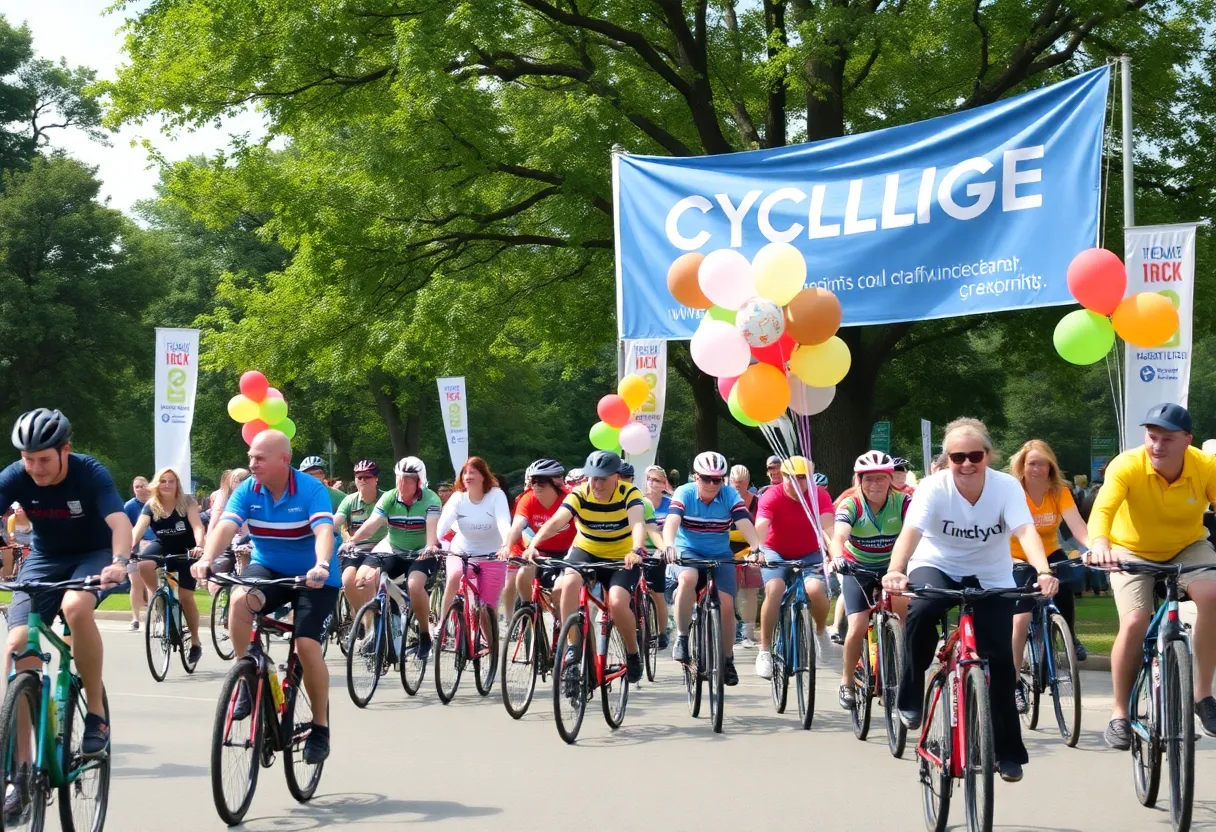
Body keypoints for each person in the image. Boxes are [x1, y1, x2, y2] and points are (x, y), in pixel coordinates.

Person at [883, 417, 1058, 784]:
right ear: (947, 459)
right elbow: (911, 532)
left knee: (1002, 661)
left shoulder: (1006, 487)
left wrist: (1043, 571)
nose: (966, 464)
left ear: (988, 456)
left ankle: (1008, 752)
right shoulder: (932, 488)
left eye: (974, 455)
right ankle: (910, 692)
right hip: (938, 564)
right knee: (923, 609)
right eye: (957, 456)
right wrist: (896, 570)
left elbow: (1025, 531)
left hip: (991, 573)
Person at [192, 430, 339, 764]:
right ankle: (247, 676)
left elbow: (323, 532)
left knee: (306, 646)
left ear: (284, 460)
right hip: (269, 568)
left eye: (259, 457)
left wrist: (320, 564)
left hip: (314, 576)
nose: (251, 463)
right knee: (241, 600)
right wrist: (206, 559)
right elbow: (226, 528)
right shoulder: (248, 489)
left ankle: (320, 727)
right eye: (250, 457)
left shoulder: (311, 490)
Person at [0, 409, 131, 764]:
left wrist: (119, 563)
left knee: (75, 607)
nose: (36, 468)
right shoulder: (15, 476)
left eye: (44, 459)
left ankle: (96, 714)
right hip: (46, 556)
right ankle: (22, 769)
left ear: (65, 450)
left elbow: (120, 522)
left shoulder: (90, 473)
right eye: (29, 460)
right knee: (17, 647)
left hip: (94, 554)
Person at [1087, 403, 1216, 746]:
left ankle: (1203, 696)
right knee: (1134, 621)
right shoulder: (1127, 465)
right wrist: (1100, 544)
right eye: (1151, 436)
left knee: (1212, 596)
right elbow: (1103, 509)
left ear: (1188, 440)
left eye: (1168, 439)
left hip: (1188, 546)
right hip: (1130, 549)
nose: (1157, 445)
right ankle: (1119, 714)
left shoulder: (1206, 466)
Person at [526, 451, 647, 684]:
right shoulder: (580, 494)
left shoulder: (629, 493)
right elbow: (556, 522)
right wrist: (533, 545)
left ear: (617, 477)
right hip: (587, 551)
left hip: (622, 557)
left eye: (603, 478)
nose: (597, 483)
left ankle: (633, 653)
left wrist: (637, 549)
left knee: (617, 602)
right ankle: (575, 648)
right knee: (568, 583)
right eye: (593, 477)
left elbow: (637, 523)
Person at [664, 452, 763, 686]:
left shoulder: (729, 494)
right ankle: (682, 637)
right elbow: (672, 521)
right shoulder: (684, 492)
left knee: (727, 605)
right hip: (689, 551)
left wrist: (757, 546)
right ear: (695, 477)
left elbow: (743, 521)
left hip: (720, 554)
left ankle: (728, 660)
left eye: (716, 480)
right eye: (706, 478)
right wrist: (668, 544)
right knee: (688, 578)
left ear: (723, 480)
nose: (711, 484)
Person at [1007, 440, 1091, 708]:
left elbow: (1077, 524)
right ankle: (1014, 683)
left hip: (1049, 551)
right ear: (1022, 466)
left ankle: (1068, 633)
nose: (1037, 469)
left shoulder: (1059, 491)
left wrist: (1093, 547)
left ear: (1051, 466)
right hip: (1016, 555)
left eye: (1042, 463)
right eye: (1032, 463)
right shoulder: (1012, 491)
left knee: (1066, 585)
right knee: (1020, 620)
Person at [829, 451, 910, 709]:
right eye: (869, 479)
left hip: (892, 569)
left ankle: (896, 665)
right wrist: (838, 557)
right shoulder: (851, 505)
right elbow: (839, 536)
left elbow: (917, 532)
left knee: (903, 615)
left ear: (891, 479)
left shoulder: (904, 502)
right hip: (857, 568)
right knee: (858, 625)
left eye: (881, 478)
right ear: (859, 480)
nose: (875, 484)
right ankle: (847, 682)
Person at [343, 457, 441, 659]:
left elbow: (432, 527)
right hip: (393, 548)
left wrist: (431, 546)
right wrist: (353, 540)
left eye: (408, 480)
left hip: (422, 551)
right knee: (362, 578)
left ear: (419, 482)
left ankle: (424, 635)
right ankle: (374, 629)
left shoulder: (431, 499)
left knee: (414, 586)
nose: (402, 484)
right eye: (399, 479)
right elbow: (372, 524)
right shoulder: (389, 497)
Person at [753, 456, 835, 679]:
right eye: (791, 477)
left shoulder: (820, 494)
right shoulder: (772, 494)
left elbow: (829, 527)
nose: (796, 482)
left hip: (810, 552)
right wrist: (755, 550)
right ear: (783, 475)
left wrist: (836, 554)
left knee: (816, 590)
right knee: (775, 588)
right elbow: (761, 525)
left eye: (802, 478)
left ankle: (820, 632)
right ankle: (765, 651)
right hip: (774, 550)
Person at [129, 467, 206, 663]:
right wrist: (128, 548)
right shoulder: (151, 505)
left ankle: (195, 641)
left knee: (186, 596)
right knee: (144, 563)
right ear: (157, 483)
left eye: (171, 481)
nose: (167, 485)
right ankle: (158, 596)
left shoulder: (187, 502)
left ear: (177, 485)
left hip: (187, 549)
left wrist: (199, 546)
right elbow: (139, 528)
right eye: (163, 481)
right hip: (164, 545)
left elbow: (197, 526)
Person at [437, 457, 512, 635]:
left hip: (492, 556)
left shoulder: (496, 495)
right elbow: (443, 523)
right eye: (465, 473)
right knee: (455, 575)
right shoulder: (458, 498)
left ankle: (492, 649)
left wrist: (506, 545)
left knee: (487, 609)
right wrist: (434, 542)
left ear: (483, 476)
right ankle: (441, 624)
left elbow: (504, 522)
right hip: (462, 552)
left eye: (473, 472)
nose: (467, 476)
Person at [501, 459, 575, 609]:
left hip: (569, 552)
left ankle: (561, 626)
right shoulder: (528, 498)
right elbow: (517, 526)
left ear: (556, 482)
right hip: (540, 550)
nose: (535, 485)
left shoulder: (570, 498)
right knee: (523, 574)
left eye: (541, 481)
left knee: (558, 593)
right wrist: (507, 547)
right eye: (533, 481)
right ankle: (529, 611)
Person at [333, 460, 387, 617]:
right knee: (347, 580)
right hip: (355, 549)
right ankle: (360, 617)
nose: (362, 480)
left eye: (367, 477)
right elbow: (338, 520)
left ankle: (373, 625)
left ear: (376, 479)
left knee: (367, 581)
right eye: (359, 477)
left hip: (380, 550)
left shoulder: (385, 499)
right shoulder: (350, 500)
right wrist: (320, 528)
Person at [639, 464, 673, 647]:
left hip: (660, 550)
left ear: (664, 484)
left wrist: (664, 549)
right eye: (649, 479)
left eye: (657, 480)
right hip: (639, 549)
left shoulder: (670, 504)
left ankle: (661, 632)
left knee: (657, 593)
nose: (652, 483)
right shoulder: (638, 502)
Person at [728, 464, 761, 647]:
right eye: (735, 482)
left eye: (742, 482)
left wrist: (755, 551)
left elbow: (761, 528)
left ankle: (748, 633)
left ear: (748, 482)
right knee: (727, 590)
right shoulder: (724, 499)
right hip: (726, 549)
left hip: (750, 550)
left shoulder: (757, 501)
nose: (738, 486)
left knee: (749, 590)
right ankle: (730, 630)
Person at [122, 475, 156, 630]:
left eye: (143, 485)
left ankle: (152, 615)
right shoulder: (129, 506)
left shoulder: (155, 503)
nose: (140, 489)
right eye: (137, 487)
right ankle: (135, 618)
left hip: (154, 546)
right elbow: (125, 527)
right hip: (135, 546)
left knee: (151, 581)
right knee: (135, 582)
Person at [3, 503, 31, 579]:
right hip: (18, 541)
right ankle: (16, 575)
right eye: (16, 509)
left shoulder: (31, 518)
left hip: (31, 540)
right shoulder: (12, 518)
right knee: (18, 555)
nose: (17, 510)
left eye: (20, 508)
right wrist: (13, 541)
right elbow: (11, 533)